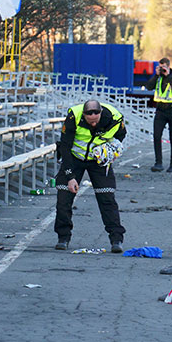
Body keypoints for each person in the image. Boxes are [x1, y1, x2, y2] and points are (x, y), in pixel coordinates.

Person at [54, 99, 127, 253]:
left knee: (107, 198)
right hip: (74, 158)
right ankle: (63, 237)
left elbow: (121, 135)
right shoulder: (73, 117)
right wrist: (70, 176)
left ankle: (116, 239)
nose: (93, 124)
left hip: (98, 160)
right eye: (89, 121)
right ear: (84, 116)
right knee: (64, 197)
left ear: (100, 113)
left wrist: (110, 149)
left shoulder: (115, 118)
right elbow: (65, 147)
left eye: (96, 120)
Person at [145, 57, 172, 173]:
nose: (162, 69)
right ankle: (158, 163)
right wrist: (156, 75)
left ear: (168, 66)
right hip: (161, 110)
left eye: (163, 67)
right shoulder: (158, 78)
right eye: (160, 67)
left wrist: (168, 76)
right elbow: (148, 87)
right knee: (157, 137)